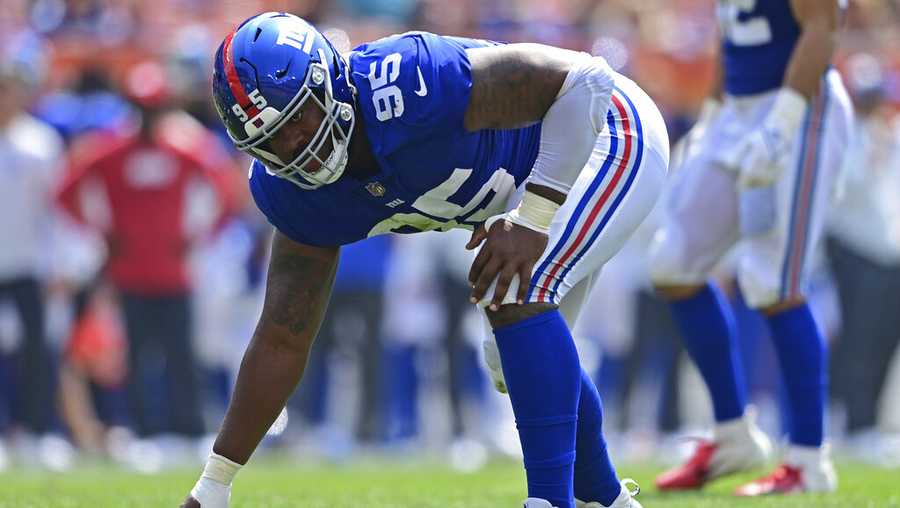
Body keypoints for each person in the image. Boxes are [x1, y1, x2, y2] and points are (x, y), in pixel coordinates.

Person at [182, 11, 669, 508]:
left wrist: (532, 217)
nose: (297, 149)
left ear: (327, 78)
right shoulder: (295, 194)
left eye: (300, 119)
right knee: (510, 357)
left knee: (515, 291)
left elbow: (586, 81)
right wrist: (214, 484)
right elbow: (282, 338)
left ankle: (548, 500)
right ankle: (604, 498)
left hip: (604, 130)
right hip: (522, 189)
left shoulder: (408, 82)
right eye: (272, 142)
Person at [648, 0, 853, 496]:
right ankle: (731, 435)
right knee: (673, 263)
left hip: (799, 109)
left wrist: (783, 122)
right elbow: (734, 32)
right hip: (736, 112)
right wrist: (713, 113)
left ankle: (809, 460)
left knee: (772, 282)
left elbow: (822, 25)